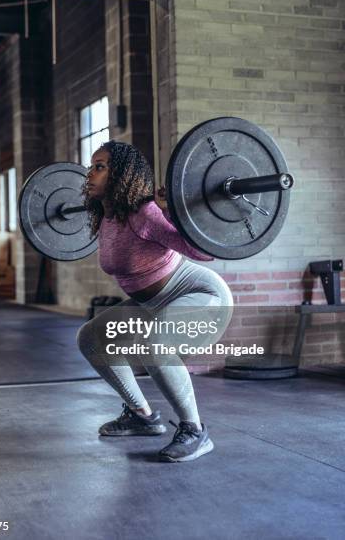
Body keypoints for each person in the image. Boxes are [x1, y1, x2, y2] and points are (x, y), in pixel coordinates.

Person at [76, 140, 233, 462]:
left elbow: (204, 251)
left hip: (202, 297)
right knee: (91, 338)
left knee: (153, 344)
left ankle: (195, 431)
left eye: (100, 166)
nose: (90, 173)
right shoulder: (107, 217)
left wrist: (172, 211)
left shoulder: (144, 214)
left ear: (120, 174)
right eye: (90, 166)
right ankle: (142, 416)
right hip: (153, 303)